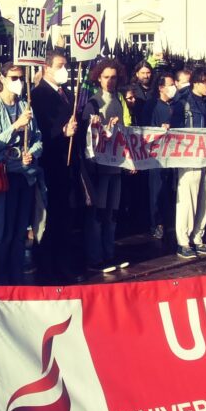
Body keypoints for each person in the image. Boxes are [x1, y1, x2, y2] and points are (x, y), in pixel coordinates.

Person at [0, 62, 44, 285]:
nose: (18, 82)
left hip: (25, 176)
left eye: (20, 77)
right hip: (3, 179)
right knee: (2, 232)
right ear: (2, 79)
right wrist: (15, 126)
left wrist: (31, 153)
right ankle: (1, 282)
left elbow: (38, 139)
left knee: (20, 231)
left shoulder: (25, 104)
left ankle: (17, 279)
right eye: (13, 78)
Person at [31, 50, 79, 283]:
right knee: (49, 218)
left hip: (68, 163)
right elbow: (39, 132)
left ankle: (63, 262)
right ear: (46, 68)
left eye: (66, 66)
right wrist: (61, 132)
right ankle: (48, 267)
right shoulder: (38, 95)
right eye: (60, 66)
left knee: (65, 216)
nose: (64, 70)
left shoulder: (68, 93)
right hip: (50, 163)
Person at [80, 57, 130, 272]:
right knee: (99, 214)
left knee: (112, 213)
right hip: (100, 168)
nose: (110, 81)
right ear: (98, 78)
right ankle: (95, 258)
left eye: (113, 77)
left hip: (116, 166)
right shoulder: (92, 103)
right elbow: (87, 136)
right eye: (106, 77)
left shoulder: (119, 100)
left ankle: (109, 254)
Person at [170, 66, 206, 259]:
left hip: (205, 156)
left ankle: (198, 238)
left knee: (203, 198)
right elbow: (175, 129)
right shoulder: (184, 102)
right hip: (189, 157)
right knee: (187, 200)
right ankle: (183, 241)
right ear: (196, 83)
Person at [147, 71, 178, 244]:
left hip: (172, 155)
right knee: (156, 190)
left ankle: (167, 222)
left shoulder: (174, 105)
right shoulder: (152, 106)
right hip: (156, 156)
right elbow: (145, 129)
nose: (173, 88)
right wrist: (159, 129)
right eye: (170, 84)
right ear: (161, 88)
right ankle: (156, 223)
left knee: (169, 190)